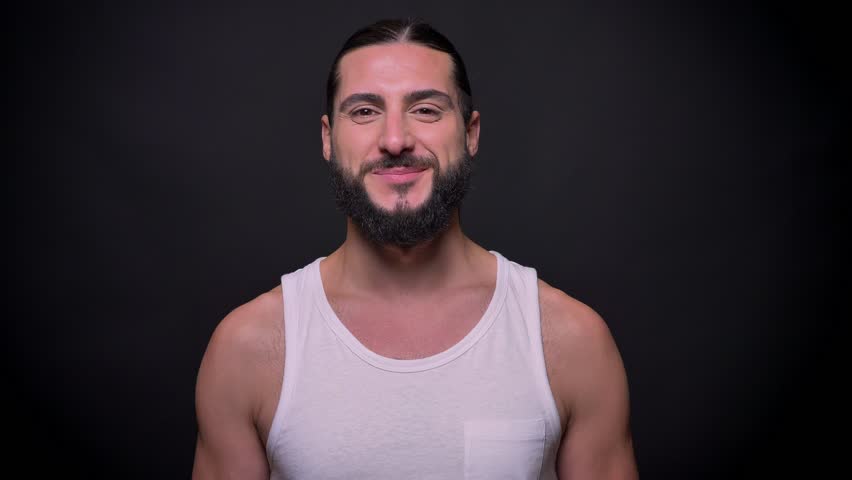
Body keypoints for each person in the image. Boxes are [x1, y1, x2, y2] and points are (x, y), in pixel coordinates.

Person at [191, 18, 638, 480]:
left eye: (425, 109)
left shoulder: (569, 341)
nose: (394, 140)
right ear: (328, 138)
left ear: (470, 133)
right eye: (364, 111)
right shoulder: (250, 348)